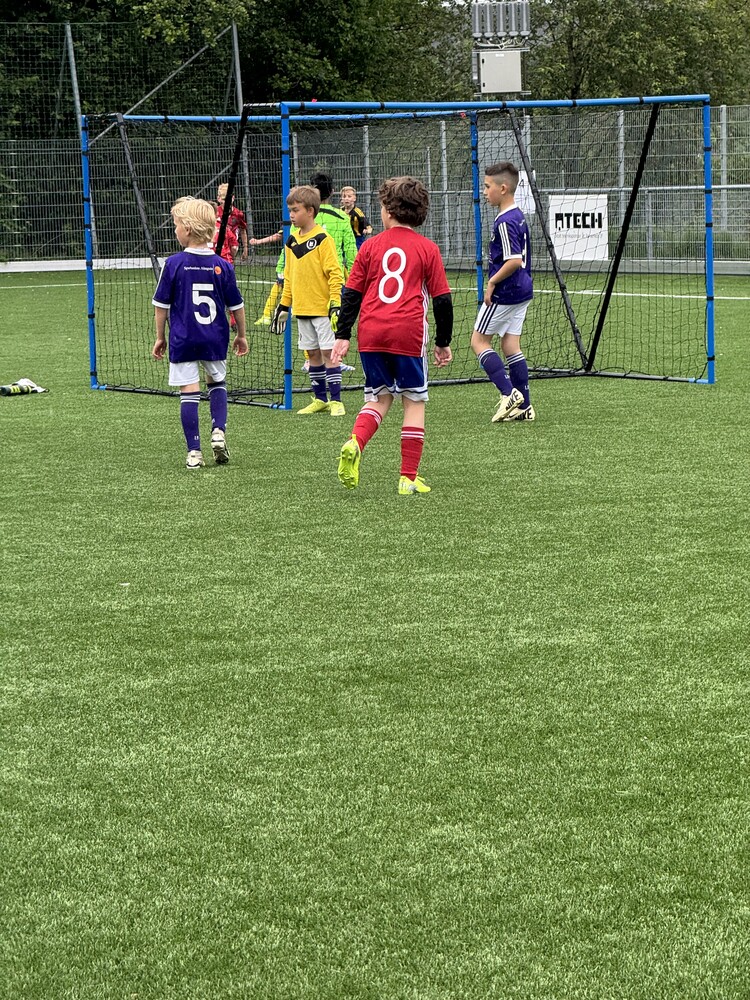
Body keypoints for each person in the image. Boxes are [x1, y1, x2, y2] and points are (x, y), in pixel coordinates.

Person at [331, 176, 453, 495]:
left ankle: (355, 442)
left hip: (371, 333)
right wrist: (442, 342)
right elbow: (442, 300)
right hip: (407, 334)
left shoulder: (370, 246)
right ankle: (407, 477)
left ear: (387, 210)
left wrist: (343, 335)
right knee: (413, 401)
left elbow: (351, 294)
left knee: (378, 398)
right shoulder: (427, 248)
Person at [152, 196, 248, 469]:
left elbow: (161, 306)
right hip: (214, 337)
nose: (175, 230)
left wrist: (160, 337)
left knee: (189, 392)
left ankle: (194, 452)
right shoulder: (223, 265)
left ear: (187, 228)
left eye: (176, 225)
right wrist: (241, 335)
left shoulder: (173, 263)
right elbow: (236, 306)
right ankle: (218, 431)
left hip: (183, 339)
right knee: (216, 382)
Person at [270, 185, 345, 416]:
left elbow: (335, 274)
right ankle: (320, 399)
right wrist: (284, 304)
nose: (291, 215)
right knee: (312, 354)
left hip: (322, 309)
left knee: (328, 353)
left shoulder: (323, 239)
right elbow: (289, 277)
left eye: (295, 210)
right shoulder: (292, 240)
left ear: (310, 211)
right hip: (302, 309)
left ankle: (336, 401)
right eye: (290, 210)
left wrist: (335, 303)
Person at [470, 161, 535, 423]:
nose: (484, 192)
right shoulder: (518, 216)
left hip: (506, 292)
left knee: (478, 341)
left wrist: (492, 282)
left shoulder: (505, 221)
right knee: (510, 345)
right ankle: (524, 406)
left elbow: (514, 260)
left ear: (503, 188)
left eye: (488, 187)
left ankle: (509, 393)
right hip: (522, 290)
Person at [310, 172, 358, 275]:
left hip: (310, 275)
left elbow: (289, 246)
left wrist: (281, 269)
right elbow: (351, 250)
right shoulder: (342, 217)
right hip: (335, 275)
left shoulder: (304, 216)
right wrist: (353, 277)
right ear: (332, 192)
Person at [216, 183, 248, 262]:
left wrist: (245, 248)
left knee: (229, 265)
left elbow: (243, 231)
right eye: (224, 200)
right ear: (218, 199)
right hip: (218, 245)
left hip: (232, 247)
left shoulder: (238, 214)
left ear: (233, 198)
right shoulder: (215, 212)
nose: (227, 202)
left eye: (229, 199)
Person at [340, 185, 372, 249]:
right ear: (341, 199)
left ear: (354, 198)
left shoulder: (358, 212)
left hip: (357, 239)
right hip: (344, 238)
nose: (346, 198)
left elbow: (367, 224)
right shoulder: (340, 211)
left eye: (349, 196)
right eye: (344, 196)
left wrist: (368, 230)